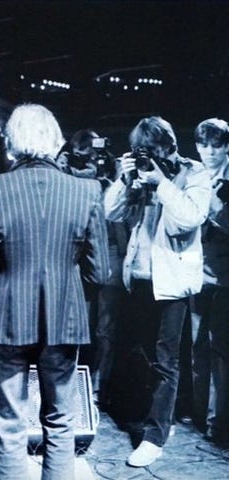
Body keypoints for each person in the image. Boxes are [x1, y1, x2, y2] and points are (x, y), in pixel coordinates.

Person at [0, 103, 110, 480]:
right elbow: (100, 271)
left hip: (4, 317)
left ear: (11, 143)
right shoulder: (87, 190)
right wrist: (68, 288)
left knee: (8, 422)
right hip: (65, 319)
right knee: (61, 420)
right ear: (57, 142)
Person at [104, 116, 211, 467]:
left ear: (169, 145)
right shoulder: (140, 173)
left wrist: (162, 182)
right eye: (142, 150)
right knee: (140, 355)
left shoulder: (193, 172)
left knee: (166, 360)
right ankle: (158, 417)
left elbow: (189, 218)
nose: (148, 156)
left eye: (152, 149)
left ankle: (154, 437)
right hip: (138, 277)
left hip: (172, 281)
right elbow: (111, 213)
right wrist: (124, 180)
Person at [59, 129, 128, 409]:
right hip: (78, 252)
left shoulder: (111, 172)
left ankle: (99, 387)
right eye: (79, 158)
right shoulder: (65, 176)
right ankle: (73, 384)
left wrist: (117, 173)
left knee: (106, 328)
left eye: (91, 157)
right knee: (79, 322)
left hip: (110, 249)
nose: (87, 164)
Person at [190, 118, 229, 445]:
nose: (210, 152)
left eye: (216, 146)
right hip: (196, 274)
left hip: (225, 277)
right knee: (196, 349)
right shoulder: (195, 174)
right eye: (204, 145)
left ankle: (217, 424)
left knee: (220, 352)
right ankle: (199, 415)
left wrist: (214, 208)